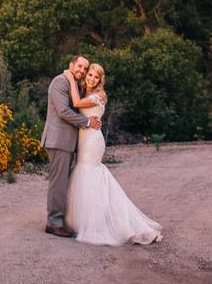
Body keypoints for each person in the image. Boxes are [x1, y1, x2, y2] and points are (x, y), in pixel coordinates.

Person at [63, 63, 162, 245]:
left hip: (92, 140)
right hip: (84, 138)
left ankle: (100, 223)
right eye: (90, 75)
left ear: (101, 80)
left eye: (96, 77)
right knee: (84, 174)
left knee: (89, 173)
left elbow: (76, 104)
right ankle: (80, 220)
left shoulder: (100, 95)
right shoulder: (85, 92)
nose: (92, 79)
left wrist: (69, 77)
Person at [41, 55, 101, 237]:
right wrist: (87, 122)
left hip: (67, 141)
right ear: (71, 65)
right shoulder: (60, 82)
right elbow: (64, 111)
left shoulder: (74, 85)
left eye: (85, 68)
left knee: (63, 183)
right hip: (58, 139)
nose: (82, 71)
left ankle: (60, 220)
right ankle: (54, 223)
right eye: (80, 66)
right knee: (58, 183)